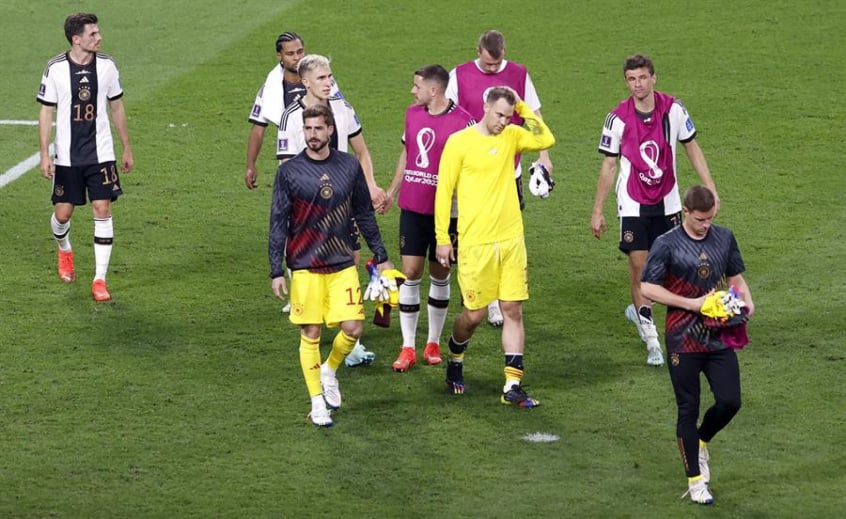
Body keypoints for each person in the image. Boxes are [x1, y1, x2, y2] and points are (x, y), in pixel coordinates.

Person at [591, 53, 719, 367]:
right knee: (640, 268)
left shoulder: (674, 109)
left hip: (669, 202)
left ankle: (654, 315)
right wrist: (598, 210)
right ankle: (652, 341)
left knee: (676, 269)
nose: (638, 84)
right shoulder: (617, 118)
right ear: (626, 81)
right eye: (632, 79)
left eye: (643, 78)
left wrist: (710, 187)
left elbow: (691, 146)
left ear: (654, 78)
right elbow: (609, 165)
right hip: (633, 203)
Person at [269, 104, 393, 427]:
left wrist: (380, 255)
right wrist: (275, 269)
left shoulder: (349, 167)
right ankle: (316, 402)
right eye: (307, 129)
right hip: (305, 265)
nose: (312, 135)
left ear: (330, 130)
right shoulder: (289, 172)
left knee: (353, 328)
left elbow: (364, 214)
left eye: (318, 129)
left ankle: (330, 370)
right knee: (310, 333)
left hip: (340, 264)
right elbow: (278, 221)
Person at [435, 87, 554, 407]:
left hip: (512, 240)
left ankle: (512, 384)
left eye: (508, 115)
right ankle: (455, 356)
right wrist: (443, 239)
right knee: (472, 316)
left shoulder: (513, 134)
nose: (503, 121)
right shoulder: (459, 143)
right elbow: (444, 193)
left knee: (513, 309)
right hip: (475, 243)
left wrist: (524, 108)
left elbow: (545, 139)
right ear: (485, 106)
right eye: (499, 114)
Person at [640, 185, 754, 505]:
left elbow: (736, 277)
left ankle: (702, 440)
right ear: (686, 213)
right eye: (700, 219)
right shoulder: (666, 244)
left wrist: (746, 301)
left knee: (731, 401)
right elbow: (648, 287)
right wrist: (693, 304)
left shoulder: (724, 237)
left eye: (710, 218)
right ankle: (695, 481)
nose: (706, 224)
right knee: (687, 409)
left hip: (717, 337)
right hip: (683, 338)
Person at [446, 29, 553, 328]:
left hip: (509, 167)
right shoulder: (460, 75)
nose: (493, 69)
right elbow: (449, 113)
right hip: (473, 168)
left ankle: (498, 295)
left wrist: (543, 155)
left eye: (498, 63)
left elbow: (535, 112)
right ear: (477, 50)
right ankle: (486, 296)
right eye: (488, 64)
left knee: (505, 227)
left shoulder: (519, 73)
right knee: (474, 227)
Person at [37, 12, 134, 302]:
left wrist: (126, 146)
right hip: (67, 156)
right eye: (93, 34)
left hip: (101, 154)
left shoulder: (107, 66)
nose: (99, 37)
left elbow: (116, 106)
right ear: (76, 39)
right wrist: (44, 154)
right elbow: (46, 111)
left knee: (102, 208)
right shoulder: (55, 68)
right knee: (63, 214)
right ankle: (65, 249)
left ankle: (99, 279)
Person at [384, 65, 475, 372]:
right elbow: (407, 154)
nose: (413, 91)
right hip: (412, 205)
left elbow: (471, 170)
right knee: (410, 272)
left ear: (433, 90)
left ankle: (432, 341)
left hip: (447, 213)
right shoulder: (412, 114)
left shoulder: (464, 123)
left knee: (440, 274)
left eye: (417, 86)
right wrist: (393, 190)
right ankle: (407, 346)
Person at [276, 54, 387, 211]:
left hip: (343, 199)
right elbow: (287, 167)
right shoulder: (291, 117)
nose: (328, 83)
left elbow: (361, 151)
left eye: (329, 77)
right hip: (309, 204)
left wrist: (370, 184)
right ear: (306, 82)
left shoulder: (343, 108)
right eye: (321, 78)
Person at [244, 32, 341, 190]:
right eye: (290, 53)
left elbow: (341, 115)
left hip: (330, 158)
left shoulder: (322, 81)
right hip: (294, 160)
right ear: (279, 56)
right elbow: (258, 129)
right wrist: (250, 165)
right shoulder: (271, 89)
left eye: (300, 52)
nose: (297, 57)